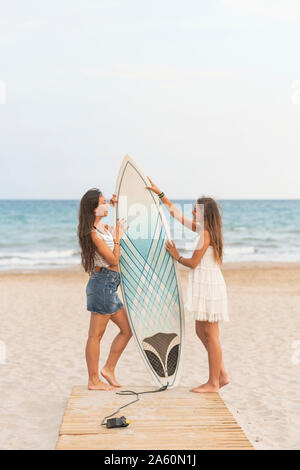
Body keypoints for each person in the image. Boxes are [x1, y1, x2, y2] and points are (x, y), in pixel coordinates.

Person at [146, 178, 229, 393]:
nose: (192, 213)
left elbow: (192, 263)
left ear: (204, 213)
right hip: (206, 283)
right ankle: (221, 374)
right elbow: (177, 215)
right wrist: (161, 194)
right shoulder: (203, 229)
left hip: (209, 286)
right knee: (201, 331)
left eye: (195, 210)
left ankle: (213, 382)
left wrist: (176, 256)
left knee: (210, 334)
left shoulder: (206, 233)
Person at [77, 188, 132, 390]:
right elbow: (113, 259)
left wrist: (117, 207)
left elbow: (117, 229)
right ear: (93, 208)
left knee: (127, 330)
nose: (106, 204)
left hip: (109, 285)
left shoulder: (101, 228)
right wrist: (117, 237)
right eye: (103, 202)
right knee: (95, 336)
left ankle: (108, 369)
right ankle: (93, 380)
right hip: (102, 284)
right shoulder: (92, 234)